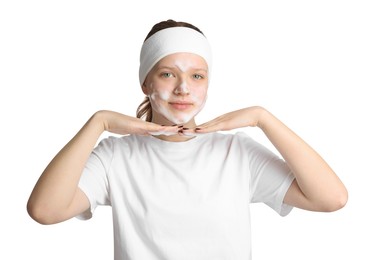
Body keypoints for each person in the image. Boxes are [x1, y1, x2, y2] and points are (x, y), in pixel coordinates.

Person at [27, 19, 348, 260]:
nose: (183, 88)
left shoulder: (236, 152)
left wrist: (262, 118)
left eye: (197, 76)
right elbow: (44, 210)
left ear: (208, 84)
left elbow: (331, 198)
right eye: (168, 74)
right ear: (145, 83)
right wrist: (98, 122)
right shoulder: (115, 156)